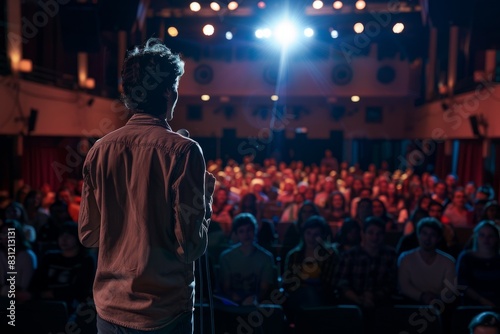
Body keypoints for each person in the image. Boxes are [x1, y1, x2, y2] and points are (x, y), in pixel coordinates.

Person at [78, 38, 216, 333]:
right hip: (162, 312)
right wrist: (205, 198)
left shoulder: (99, 150)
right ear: (169, 92)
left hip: (109, 309)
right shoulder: (185, 151)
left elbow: (88, 235)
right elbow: (190, 247)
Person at [218, 213, 275, 305]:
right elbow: (225, 287)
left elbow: (265, 288)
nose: (246, 235)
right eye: (241, 231)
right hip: (232, 304)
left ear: (255, 231)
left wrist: (254, 299)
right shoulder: (226, 257)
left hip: (257, 304)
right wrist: (235, 298)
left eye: (249, 230)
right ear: (236, 234)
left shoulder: (266, 257)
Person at [398, 218, 456, 305]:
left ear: (438, 238)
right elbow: (403, 286)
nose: (427, 239)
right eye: (424, 234)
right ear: (418, 235)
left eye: (432, 235)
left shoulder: (448, 261)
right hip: (410, 304)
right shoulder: (406, 258)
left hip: (440, 305)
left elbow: (450, 290)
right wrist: (422, 296)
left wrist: (435, 299)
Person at [456, 221, 500, 307]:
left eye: (490, 236)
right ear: (476, 237)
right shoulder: (467, 257)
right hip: (472, 305)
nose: (486, 239)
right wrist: (482, 300)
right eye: (482, 235)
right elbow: (462, 284)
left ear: (496, 238)